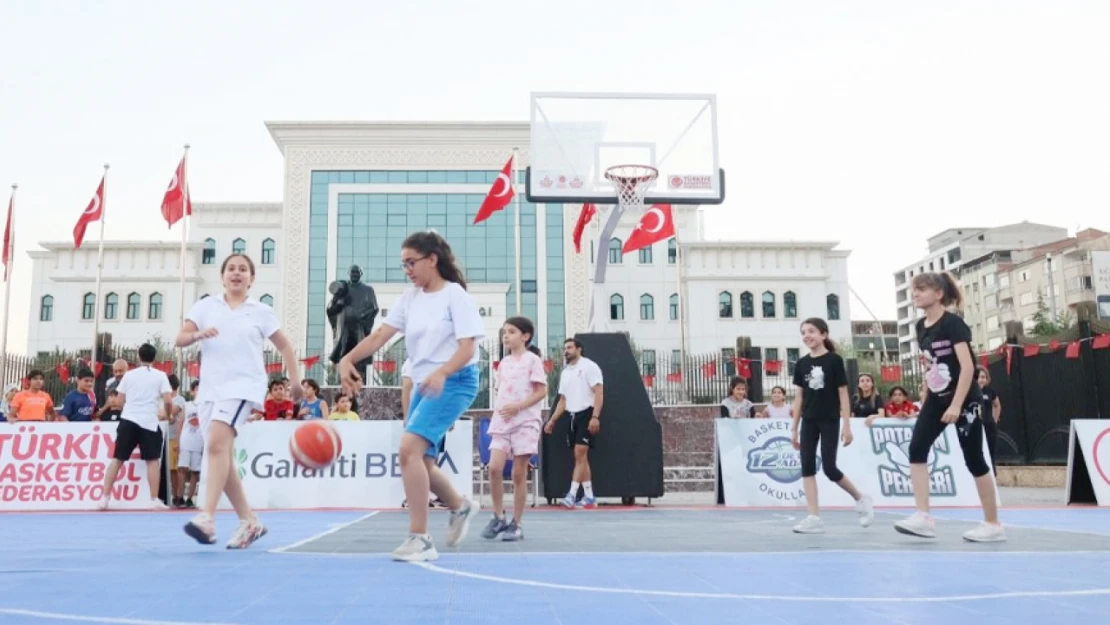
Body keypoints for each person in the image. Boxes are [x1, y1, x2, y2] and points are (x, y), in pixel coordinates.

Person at [339, 231, 482, 562]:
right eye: (403, 264)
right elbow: (379, 336)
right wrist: (347, 359)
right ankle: (460, 507)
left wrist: (442, 372)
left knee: (408, 451)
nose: (407, 269)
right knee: (422, 463)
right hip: (424, 383)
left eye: (411, 262)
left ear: (432, 259)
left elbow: (468, 348)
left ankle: (420, 539)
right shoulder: (410, 298)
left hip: (454, 380)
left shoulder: (455, 297)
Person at [177, 253, 302, 549]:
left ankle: (206, 517)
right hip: (209, 390)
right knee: (221, 454)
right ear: (222, 276)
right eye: (231, 269)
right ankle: (250, 521)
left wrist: (295, 380)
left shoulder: (260, 311)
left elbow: (284, 345)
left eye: (243, 269)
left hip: (244, 387)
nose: (236, 273)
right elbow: (179, 339)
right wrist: (197, 334)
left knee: (218, 444)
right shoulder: (205, 306)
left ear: (251, 278)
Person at [893, 272, 1004, 542]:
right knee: (917, 448)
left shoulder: (953, 324)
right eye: (913, 290)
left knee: (974, 459)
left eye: (921, 289)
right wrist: (927, 391)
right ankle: (923, 517)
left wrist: (957, 404)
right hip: (936, 398)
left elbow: (967, 367)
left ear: (938, 294)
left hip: (964, 401)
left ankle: (993, 524)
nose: (915, 294)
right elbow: (931, 363)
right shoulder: (921, 327)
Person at [789, 318, 874, 534]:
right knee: (806, 467)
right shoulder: (801, 364)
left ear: (824, 335)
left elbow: (843, 394)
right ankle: (813, 516)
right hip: (808, 420)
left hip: (829, 419)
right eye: (803, 332)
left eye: (812, 331)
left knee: (829, 468)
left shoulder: (834, 361)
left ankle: (860, 498)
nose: (807, 335)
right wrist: (794, 427)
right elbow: (799, 397)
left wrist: (846, 426)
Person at [481, 317, 547, 542]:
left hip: (526, 420)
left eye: (511, 332)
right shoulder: (504, 363)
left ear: (525, 336)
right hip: (502, 421)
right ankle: (498, 516)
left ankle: (516, 524)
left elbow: (541, 391)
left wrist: (518, 407)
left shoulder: (532, 360)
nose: (506, 336)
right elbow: (502, 391)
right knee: (494, 468)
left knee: (518, 472)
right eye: (504, 332)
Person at [98, 343, 173, 511]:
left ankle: (104, 498)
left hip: (129, 420)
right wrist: (168, 415)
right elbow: (168, 400)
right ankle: (154, 500)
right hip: (149, 422)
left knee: (117, 459)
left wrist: (131, 410)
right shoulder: (160, 375)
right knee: (152, 461)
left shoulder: (129, 376)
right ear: (155, 358)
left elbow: (118, 401)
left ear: (139, 357)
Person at [544, 337, 604, 509]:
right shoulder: (565, 372)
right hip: (572, 416)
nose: (566, 351)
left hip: (587, 414)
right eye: (565, 348)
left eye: (570, 347)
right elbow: (563, 399)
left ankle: (572, 494)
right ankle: (590, 497)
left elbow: (599, 392)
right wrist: (552, 420)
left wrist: (595, 417)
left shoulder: (589, 367)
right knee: (581, 457)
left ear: (579, 349)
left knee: (579, 454)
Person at [177, 380, 203, 508]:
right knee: (182, 469)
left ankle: (190, 498)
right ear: (192, 391)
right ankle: (179, 497)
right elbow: (180, 423)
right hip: (186, 441)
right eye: (197, 389)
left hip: (199, 443)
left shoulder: (206, 407)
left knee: (195, 472)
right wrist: (177, 441)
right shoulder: (187, 405)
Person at [977, 366, 1002, 473]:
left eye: (983, 377)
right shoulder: (969, 391)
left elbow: (997, 405)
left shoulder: (990, 391)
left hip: (989, 427)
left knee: (990, 452)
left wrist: (994, 420)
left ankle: (992, 475)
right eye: (978, 377)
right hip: (975, 428)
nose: (980, 379)